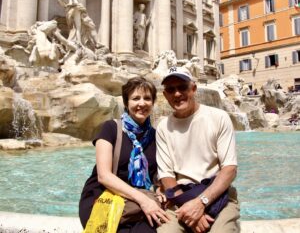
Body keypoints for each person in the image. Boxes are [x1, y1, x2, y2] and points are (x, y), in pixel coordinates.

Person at [79, 77, 169, 232]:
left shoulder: (155, 135)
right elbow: (104, 176)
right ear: (127, 103)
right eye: (135, 98)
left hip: (138, 201)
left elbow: (156, 174)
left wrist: (161, 189)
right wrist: (143, 201)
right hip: (104, 196)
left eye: (147, 98)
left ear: (153, 103)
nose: (142, 103)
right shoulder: (110, 128)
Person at [156, 66, 240, 233]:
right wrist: (189, 207)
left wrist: (201, 202)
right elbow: (166, 176)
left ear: (193, 89)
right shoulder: (163, 127)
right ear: (165, 95)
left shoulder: (219, 117)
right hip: (180, 198)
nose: (177, 94)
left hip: (219, 195)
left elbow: (229, 169)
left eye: (182, 87)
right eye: (171, 90)